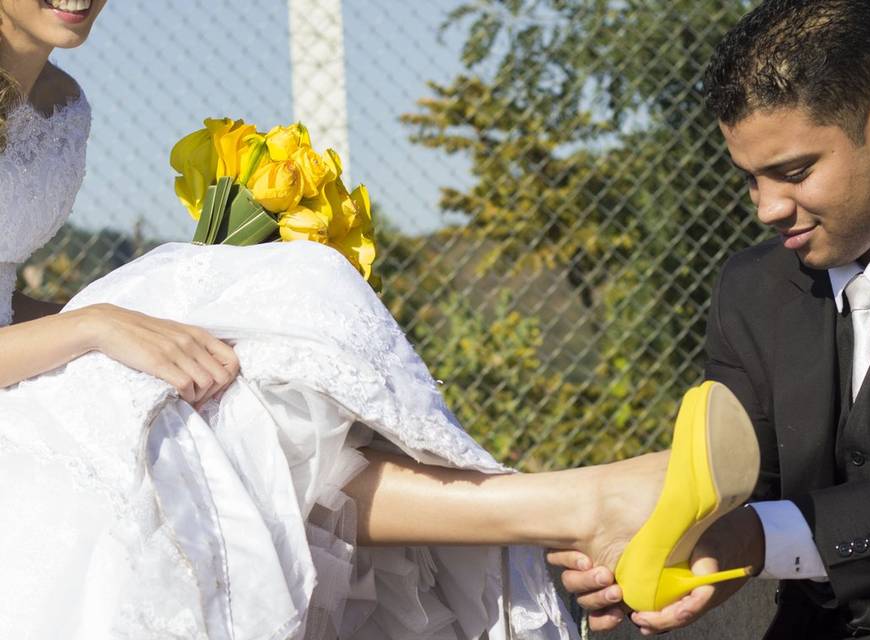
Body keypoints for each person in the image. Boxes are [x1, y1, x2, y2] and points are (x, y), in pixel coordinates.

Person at [0, 2, 759, 638]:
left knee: (255, 371)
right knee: (211, 426)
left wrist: (160, 321)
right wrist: (95, 326)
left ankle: (574, 507)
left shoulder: (60, 100)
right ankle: (575, 506)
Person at [555, 1, 870, 638]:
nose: (767, 209)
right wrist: (655, 546)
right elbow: (739, 483)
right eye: (749, 179)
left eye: (793, 172)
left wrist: (761, 539)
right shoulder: (750, 289)